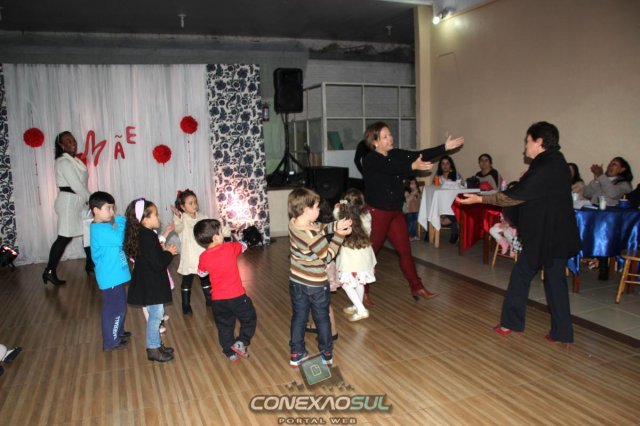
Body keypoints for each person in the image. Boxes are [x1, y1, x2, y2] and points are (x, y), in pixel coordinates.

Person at [460, 121, 580, 344]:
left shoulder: (545, 167)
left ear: (539, 142)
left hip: (545, 234)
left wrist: (480, 199)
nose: (525, 146)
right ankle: (562, 332)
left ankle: (510, 323)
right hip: (557, 232)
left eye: (528, 141)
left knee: (522, 274)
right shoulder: (557, 162)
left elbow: (514, 196)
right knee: (555, 280)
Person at [362, 121, 464, 302]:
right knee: (371, 253)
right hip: (378, 213)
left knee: (405, 251)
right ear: (375, 141)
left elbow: (419, 155)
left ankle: (417, 287)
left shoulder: (395, 154)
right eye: (385, 137)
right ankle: (362, 291)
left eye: (390, 134)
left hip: (395, 212)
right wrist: (412, 167)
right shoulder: (371, 159)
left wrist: (444, 148)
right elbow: (390, 168)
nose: (390, 138)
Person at [288, 187, 352, 367]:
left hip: (296, 281)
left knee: (299, 317)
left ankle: (296, 353)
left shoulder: (294, 222)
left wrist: (335, 226)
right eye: (316, 207)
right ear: (306, 210)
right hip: (315, 284)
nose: (319, 210)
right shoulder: (312, 237)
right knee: (322, 318)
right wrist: (339, 236)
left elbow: (317, 227)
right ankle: (326, 353)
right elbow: (327, 256)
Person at [195, 219, 257, 362]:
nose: (223, 234)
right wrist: (244, 241)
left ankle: (230, 353)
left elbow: (201, 273)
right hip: (237, 297)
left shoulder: (203, 256)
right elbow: (243, 246)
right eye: (221, 232)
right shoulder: (229, 247)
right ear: (216, 237)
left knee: (225, 327)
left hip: (218, 301)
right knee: (249, 319)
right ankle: (241, 341)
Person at [124, 198, 177, 362]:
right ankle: (153, 348)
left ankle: (156, 344)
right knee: (156, 315)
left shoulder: (143, 234)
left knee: (156, 314)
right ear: (144, 220)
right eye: (156, 214)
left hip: (147, 281)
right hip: (151, 283)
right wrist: (169, 253)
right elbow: (158, 263)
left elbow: (151, 258)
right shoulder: (147, 237)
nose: (159, 218)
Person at [43, 131, 92, 285]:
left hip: (78, 202)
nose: (73, 143)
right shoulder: (63, 162)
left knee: (88, 232)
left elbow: (81, 185)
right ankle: (49, 271)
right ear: (61, 145)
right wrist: (92, 199)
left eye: (73, 140)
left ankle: (90, 264)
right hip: (68, 204)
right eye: (68, 141)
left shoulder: (74, 161)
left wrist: (87, 200)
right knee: (64, 238)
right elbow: (76, 185)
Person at [89, 191, 131, 352]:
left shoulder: (104, 227)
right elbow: (119, 239)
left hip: (114, 276)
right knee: (115, 309)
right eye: (108, 208)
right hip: (110, 277)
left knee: (119, 307)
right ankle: (111, 341)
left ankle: (118, 332)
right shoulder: (99, 230)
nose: (113, 212)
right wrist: (120, 221)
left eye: (113, 208)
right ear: (95, 210)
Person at [334, 189, 377, 322]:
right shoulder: (366, 216)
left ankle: (361, 309)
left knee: (346, 284)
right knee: (359, 282)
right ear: (361, 204)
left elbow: (336, 212)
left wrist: (339, 206)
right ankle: (357, 305)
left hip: (350, 259)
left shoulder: (342, 217)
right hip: (365, 255)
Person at [170, 189, 211, 315]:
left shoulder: (203, 217)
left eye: (195, 202)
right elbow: (178, 228)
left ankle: (209, 300)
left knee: (205, 279)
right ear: (182, 207)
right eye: (190, 203)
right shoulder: (182, 219)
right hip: (189, 257)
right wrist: (177, 216)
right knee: (187, 281)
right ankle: (185, 305)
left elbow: (209, 230)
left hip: (203, 255)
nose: (194, 205)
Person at [432, 155, 463, 244]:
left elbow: (462, 187)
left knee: (455, 209)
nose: (445, 166)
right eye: (443, 164)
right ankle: (454, 231)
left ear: (451, 165)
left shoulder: (457, 175)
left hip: (454, 202)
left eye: (447, 163)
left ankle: (454, 232)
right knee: (452, 214)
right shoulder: (437, 177)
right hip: (441, 204)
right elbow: (433, 190)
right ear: (440, 166)